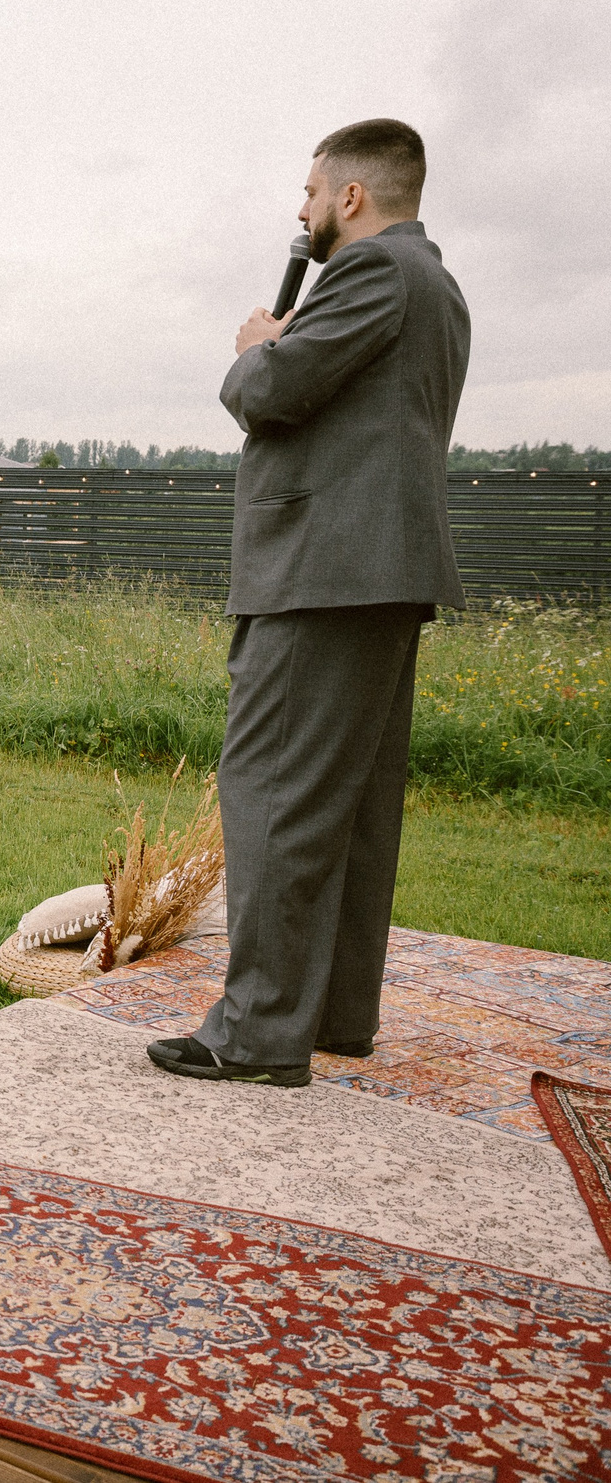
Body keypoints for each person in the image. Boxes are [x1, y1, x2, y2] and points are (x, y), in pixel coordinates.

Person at [150, 119, 471, 1090]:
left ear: (351, 197)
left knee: (276, 795)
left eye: (308, 191)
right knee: (353, 807)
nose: (298, 209)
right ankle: (332, 1012)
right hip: (380, 573)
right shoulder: (437, 286)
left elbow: (271, 391)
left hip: (324, 571)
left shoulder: (370, 276)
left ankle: (254, 1033)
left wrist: (259, 346)